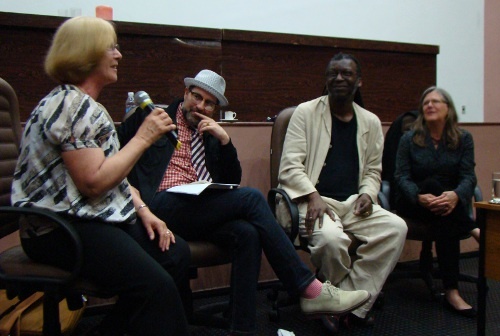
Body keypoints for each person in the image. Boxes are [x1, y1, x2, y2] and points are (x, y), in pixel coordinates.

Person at [117, 69, 371, 336]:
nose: (200, 106)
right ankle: (307, 288)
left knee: (246, 233)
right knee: (251, 199)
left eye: (209, 102)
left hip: (196, 208)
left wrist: (225, 142)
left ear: (215, 108)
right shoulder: (155, 118)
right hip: (159, 206)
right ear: (185, 93)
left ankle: (242, 330)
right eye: (196, 97)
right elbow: (115, 151)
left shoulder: (210, 132)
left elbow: (230, 182)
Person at [11, 16, 191, 336]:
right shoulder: (69, 105)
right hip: (56, 229)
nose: (118, 55)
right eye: (111, 47)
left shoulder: (86, 106)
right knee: (156, 286)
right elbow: (93, 183)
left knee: (175, 254)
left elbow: (115, 177)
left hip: (86, 218)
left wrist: (143, 210)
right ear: (87, 52)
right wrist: (143, 137)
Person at [276, 52, 408, 326]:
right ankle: (341, 306)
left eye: (346, 73)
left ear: (358, 81)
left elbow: (373, 171)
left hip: (353, 205)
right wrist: (312, 195)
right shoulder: (306, 112)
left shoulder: (370, 121)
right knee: (331, 241)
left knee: (396, 228)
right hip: (311, 200)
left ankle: (345, 306)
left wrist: (368, 194)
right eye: (333, 73)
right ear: (325, 80)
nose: (339, 78)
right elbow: (289, 167)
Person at [395, 86, 480, 317]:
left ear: (448, 108)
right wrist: (418, 196)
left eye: (435, 101)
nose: (429, 105)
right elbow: (401, 176)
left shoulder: (463, 138)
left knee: (445, 219)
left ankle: (451, 291)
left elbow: (468, 176)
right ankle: (472, 228)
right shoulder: (409, 138)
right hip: (414, 202)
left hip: (447, 206)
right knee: (432, 184)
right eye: (426, 103)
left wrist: (455, 195)